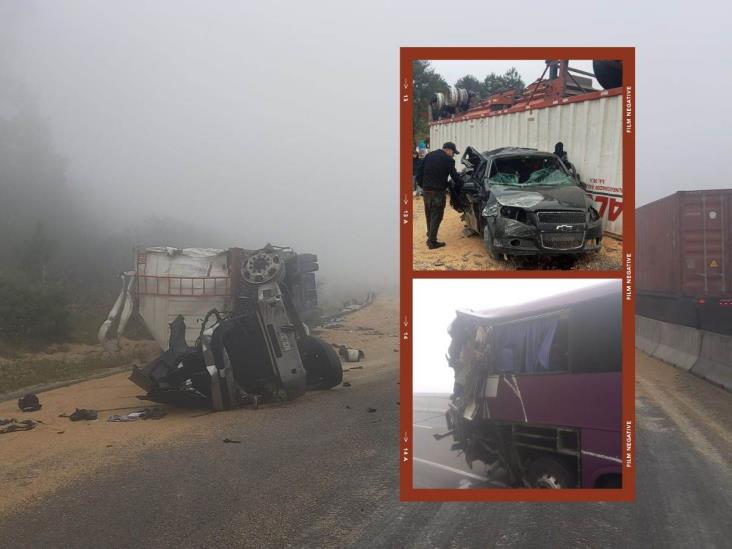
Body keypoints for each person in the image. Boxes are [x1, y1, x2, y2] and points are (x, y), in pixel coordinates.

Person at [415, 141, 464, 249]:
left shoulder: (429, 155)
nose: (453, 155)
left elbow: (419, 172)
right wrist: (462, 183)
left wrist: (423, 186)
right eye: (453, 153)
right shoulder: (448, 160)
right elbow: (454, 176)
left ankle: (430, 233)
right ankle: (432, 242)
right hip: (438, 192)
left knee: (429, 213)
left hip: (426, 191)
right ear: (448, 150)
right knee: (437, 215)